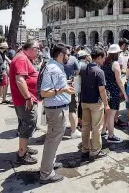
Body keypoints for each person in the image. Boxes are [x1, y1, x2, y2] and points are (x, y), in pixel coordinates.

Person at [39, 43, 74, 184]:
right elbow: (44, 92)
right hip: (56, 109)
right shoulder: (53, 69)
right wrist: (63, 90)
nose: (68, 56)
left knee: (54, 140)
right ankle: (46, 174)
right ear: (60, 55)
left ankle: (50, 164)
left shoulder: (55, 67)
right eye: (67, 54)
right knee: (52, 141)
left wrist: (64, 85)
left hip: (58, 108)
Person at [9, 41, 40, 165]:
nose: (39, 51)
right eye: (38, 49)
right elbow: (20, 79)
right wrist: (28, 97)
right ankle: (22, 154)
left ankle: (24, 148)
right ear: (31, 48)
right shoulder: (21, 59)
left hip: (24, 99)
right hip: (24, 100)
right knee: (28, 124)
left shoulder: (22, 57)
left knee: (25, 123)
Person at [80, 47, 109, 159]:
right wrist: (106, 103)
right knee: (97, 127)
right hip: (96, 102)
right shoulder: (99, 71)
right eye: (103, 58)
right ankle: (95, 151)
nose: (104, 60)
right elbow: (102, 90)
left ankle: (85, 149)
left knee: (86, 126)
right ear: (99, 58)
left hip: (84, 101)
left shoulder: (83, 68)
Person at [101, 44, 128, 143]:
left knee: (106, 113)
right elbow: (119, 80)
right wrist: (124, 93)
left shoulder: (104, 62)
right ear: (116, 54)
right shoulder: (115, 64)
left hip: (105, 90)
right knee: (112, 114)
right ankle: (111, 135)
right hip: (113, 91)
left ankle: (103, 130)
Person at [64, 45, 81, 139]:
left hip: (59, 87)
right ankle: (74, 131)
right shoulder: (73, 58)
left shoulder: (56, 60)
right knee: (72, 109)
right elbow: (78, 72)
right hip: (70, 86)